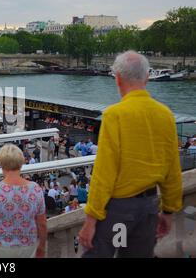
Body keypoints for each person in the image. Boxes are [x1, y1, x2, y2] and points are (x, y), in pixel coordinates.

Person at [78, 51, 183, 258]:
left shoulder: (114, 115)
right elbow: (173, 170)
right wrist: (169, 211)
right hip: (149, 207)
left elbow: (104, 173)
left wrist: (91, 220)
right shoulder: (165, 115)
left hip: (118, 210)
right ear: (146, 78)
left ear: (117, 79)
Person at [0, 144, 47, 258]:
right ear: (21, 162)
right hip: (28, 247)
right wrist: (42, 247)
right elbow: (42, 224)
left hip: (0, 248)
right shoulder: (36, 189)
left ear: (1, 163)